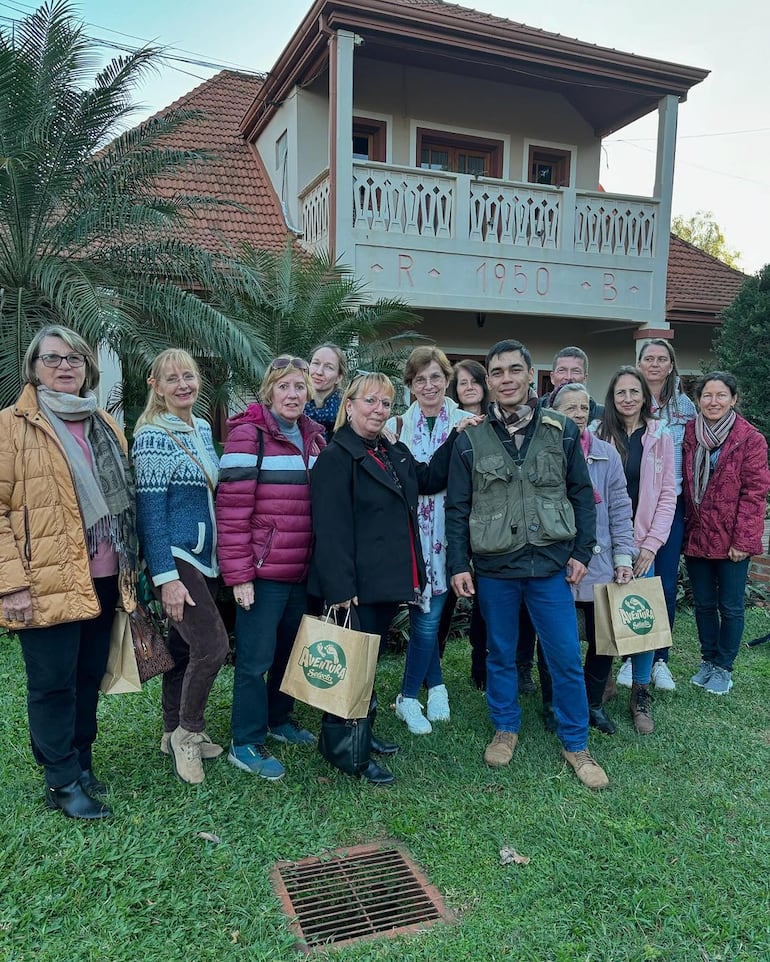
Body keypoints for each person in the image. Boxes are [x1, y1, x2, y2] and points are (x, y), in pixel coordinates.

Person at [447, 339, 609, 790]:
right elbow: (458, 507)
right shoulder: (470, 438)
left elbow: (582, 494)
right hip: (496, 567)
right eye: (497, 372)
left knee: (563, 656)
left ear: (528, 375)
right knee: (501, 653)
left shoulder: (562, 430)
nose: (506, 379)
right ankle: (505, 728)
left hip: (549, 566)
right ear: (488, 381)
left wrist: (582, 552)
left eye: (514, 370)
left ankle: (576, 743)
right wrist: (459, 563)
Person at [0, 326, 137, 820]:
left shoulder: (105, 424)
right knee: (53, 682)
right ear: (34, 367)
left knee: (85, 675)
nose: (65, 366)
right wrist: (10, 584)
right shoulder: (12, 427)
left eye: (75, 358)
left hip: (101, 575)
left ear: (88, 368)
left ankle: (80, 762)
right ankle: (59, 780)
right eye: (53, 358)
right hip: (45, 580)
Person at [310, 372, 467, 784]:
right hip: (355, 587)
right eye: (370, 402)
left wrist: (454, 437)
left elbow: (430, 479)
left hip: (383, 584)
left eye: (385, 403)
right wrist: (340, 589)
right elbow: (330, 528)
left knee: (366, 664)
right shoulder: (336, 456)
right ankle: (349, 752)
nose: (379, 410)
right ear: (349, 405)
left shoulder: (389, 450)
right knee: (351, 667)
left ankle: (362, 734)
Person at [216, 355, 325, 780]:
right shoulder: (248, 436)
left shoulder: (314, 438)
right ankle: (244, 741)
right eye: (284, 387)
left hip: (302, 571)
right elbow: (231, 512)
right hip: (263, 573)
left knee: (288, 653)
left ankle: (279, 720)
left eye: (299, 386)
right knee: (255, 661)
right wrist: (240, 575)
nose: (293, 394)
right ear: (269, 392)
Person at [132, 350, 230, 786]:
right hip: (178, 558)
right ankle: (189, 735)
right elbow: (150, 514)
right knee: (213, 647)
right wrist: (165, 578)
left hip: (204, 556)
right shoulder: (152, 436)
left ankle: (171, 728)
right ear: (156, 385)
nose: (183, 385)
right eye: (172, 379)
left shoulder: (202, 427)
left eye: (188, 376)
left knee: (185, 649)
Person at [385, 346, 478, 734]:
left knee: (430, 618)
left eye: (436, 377)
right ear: (410, 385)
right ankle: (433, 687)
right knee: (425, 615)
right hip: (409, 537)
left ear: (447, 379)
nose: (429, 385)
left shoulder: (468, 422)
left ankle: (409, 696)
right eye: (420, 379)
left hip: (451, 534)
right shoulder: (396, 427)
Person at [540, 384, 636, 735]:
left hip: (601, 563)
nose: (579, 414)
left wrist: (624, 558)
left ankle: (593, 703)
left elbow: (620, 510)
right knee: (554, 637)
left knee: (603, 639)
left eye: (584, 407)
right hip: (558, 562)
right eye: (570, 408)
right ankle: (552, 704)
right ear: (553, 413)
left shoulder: (607, 454)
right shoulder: (544, 452)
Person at [595, 366, 676, 733]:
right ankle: (606, 680)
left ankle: (640, 692)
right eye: (620, 393)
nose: (627, 398)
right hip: (607, 540)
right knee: (606, 613)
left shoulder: (661, 437)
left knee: (642, 617)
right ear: (612, 399)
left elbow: (666, 496)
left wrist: (651, 544)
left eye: (634, 392)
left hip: (644, 542)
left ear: (645, 395)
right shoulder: (600, 435)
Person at [682, 372, 770, 695]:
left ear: (734, 399)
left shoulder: (750, 439)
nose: (713, 401)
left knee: (730, 606)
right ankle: (708, 660)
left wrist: (743, 541)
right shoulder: (690, 433)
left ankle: (724, 667)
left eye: (721, 396)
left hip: (732, 539)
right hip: (697, 535)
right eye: (707, 395)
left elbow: (755, 493)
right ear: (698, 400)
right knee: (704, 604)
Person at [631, 338, 697, 691]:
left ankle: (659, 659)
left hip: (671, 505)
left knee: (665, 583)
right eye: (648, 358)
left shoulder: (686, 407)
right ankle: (630, 657)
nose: (655, 364)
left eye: (662, 359)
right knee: (630, 580)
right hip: (633, 506)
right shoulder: (630, 400)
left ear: (671, 365)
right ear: (639, 363)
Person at [540, 345, 604, 420]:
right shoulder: (536, 411)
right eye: (562, 370)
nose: (568, 377)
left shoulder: (603, 415)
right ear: (552, 377)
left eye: (576, 371)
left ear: (585, 378)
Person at [304, 343, 347, 442]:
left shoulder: (348, 413)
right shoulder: (293, 406)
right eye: (316, 363)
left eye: (329, 367)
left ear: (339, 377)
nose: (319, 372)